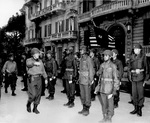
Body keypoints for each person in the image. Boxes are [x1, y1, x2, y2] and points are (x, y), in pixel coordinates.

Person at [95, 50, 119, 123]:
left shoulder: (113, 66)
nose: (104, 57)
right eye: (104, 55)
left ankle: (109, 118)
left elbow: (116, 78)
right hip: (102, 87)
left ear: (110, 57)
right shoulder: (102, 65)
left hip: (109, 87)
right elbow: (99, 75)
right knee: (104, 103)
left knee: (110, 103)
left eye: (106, 55)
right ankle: (105, 117)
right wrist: (98, 72)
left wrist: (115, 89)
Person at [128, 44, 149, 117]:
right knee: (134, 94)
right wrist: (130, 76)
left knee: (140, 94)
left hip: (141, 78)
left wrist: (145, 80)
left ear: (140, 50)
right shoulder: (131, 57)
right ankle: (136, 108)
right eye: (134, 49)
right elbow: (129, 68)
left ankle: (140, 109)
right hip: (133, 78)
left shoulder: (143, 57)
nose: (135, 50)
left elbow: (147, 68)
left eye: (136, 49)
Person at [26, 48, 48, 114]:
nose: (38, 54)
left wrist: (46, 78)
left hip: (39, 79)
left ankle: (35, 108)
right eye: (36, 53)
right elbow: (28, 64)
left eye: (38, 53)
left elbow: (43, 70)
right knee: (33, 95)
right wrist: (34, 63)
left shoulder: (40, 61)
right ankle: (28, 103)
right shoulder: (28, 60)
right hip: (32, 79)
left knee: (38, 94)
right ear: (33, 55)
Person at [78, 46, 94, 116]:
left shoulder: (88, 59)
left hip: (87, 80)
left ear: (85, 51)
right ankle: (84, 108)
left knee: (87, 95)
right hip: (81, 79)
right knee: (82, 95)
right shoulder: (81, 59)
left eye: (81, 50)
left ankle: (87, 109)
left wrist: (91, 80)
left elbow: (91, 70)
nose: (80, 51)